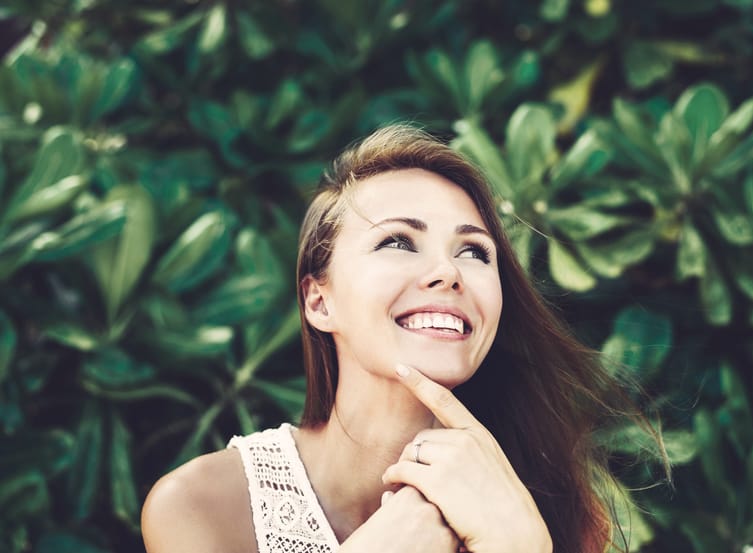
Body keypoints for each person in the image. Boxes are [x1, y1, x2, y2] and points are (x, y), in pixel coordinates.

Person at [141, 124, 656, 553]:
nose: (447, 272)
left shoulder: (553, 512)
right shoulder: (200, 506)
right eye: (397, 241)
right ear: (319, 301)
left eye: (474, 252)